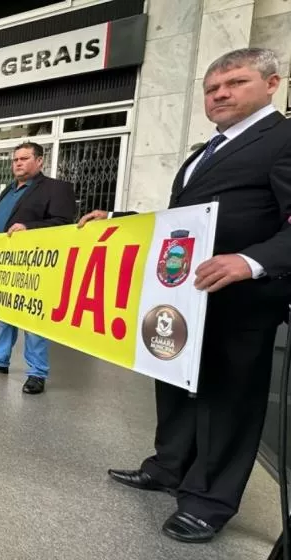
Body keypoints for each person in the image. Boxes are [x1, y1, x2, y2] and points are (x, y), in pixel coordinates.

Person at [81, 48, 291, 543]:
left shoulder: (282, 140)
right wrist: (120, 222)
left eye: (235, 83)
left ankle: (209, 500)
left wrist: (251, 261)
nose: (219, 94)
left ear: (272, 84)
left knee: (227, 398)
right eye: (211, 88)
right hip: (184, 297)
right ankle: (169, 465)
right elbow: (181, 223)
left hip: (241, 301)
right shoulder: (204, 151)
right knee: (173, 379)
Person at [0, 142, 76, 395]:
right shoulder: (8, 191)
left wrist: (30, 228)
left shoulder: (56, 189)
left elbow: (63, 224)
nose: (17, 163)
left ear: (40, 161)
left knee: (33, 320)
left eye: (24, 158)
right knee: (3, 314)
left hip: (33, 267)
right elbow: (1, 224)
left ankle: (37, 372)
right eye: (15, 159)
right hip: (3, 265)